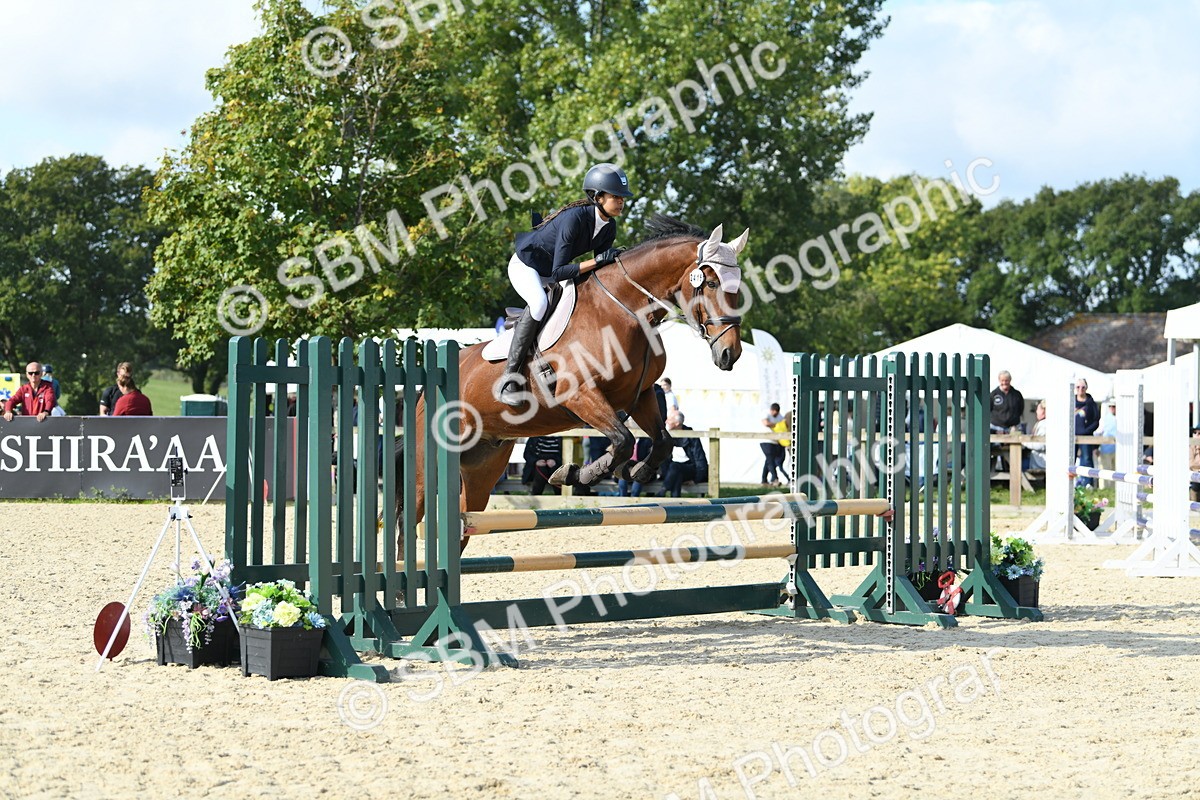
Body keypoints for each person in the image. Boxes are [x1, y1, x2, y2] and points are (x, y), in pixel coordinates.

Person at [497, 162, 633, 406]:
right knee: (539, 304)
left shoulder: (608, 227)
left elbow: (599, 270)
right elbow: (560, 271)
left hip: (551, 271)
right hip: (527, 266)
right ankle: (509, 378)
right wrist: (597, 261)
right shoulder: (574, 219)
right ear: (598, 197)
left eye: (622, 197)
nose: (621, 202)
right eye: (616, 196)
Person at [661, 411, 708, 497]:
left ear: (677, 423)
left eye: (669, 419)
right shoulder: (666, 436)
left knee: (675, 466)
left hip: (690, 469)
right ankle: (675, 502)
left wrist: (696, 479)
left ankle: (663, 490)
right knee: (677, 473)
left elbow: (700, 458)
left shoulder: (690, 436)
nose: (666, 421)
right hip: (673, 472)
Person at [1073, 378, 1100, 486]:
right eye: (1078, 387)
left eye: (1083, 387)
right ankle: (1072, 482)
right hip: (1072, 435)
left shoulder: (1091, 403)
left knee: (1087, 458)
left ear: (1086, 388)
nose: (1080, 389)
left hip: (1086, 436)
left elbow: (1096, 420)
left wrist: (1086, 430)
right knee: (1071, 458)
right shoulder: (1071, 401)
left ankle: (1088, 483)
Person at [760, 402, 787, 486]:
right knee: (770, 459)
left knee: (769, 460)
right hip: (766, 440)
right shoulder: (765, 413)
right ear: (771, 410)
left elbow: (783, 425)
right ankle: (774, 478)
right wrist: (776, 425)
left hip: (775, 442)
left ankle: (764, 480)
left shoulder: (780, 416)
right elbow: (766, 423)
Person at [1022, 400, 1048, 470]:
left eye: (1038, 409)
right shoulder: (1043, 423)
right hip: (1039, 461)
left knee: (1018, 466)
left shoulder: (1044, 425)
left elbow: (1040, 445)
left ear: (1043, 411)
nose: (1036, 411)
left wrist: (1023, 441)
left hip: (1041, 462)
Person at [1097, 399, 1118, 483]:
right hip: (1106, 449)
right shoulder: (1104, 419)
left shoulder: (1122, 419)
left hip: (1118, 450)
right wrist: (1096, 447)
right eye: (1110, 406)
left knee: (1116, 472)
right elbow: (1098, 432)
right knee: (1105, 471)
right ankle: (1104, 488)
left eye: (1114, 406)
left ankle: (1113, 489)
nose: (1112, 408)